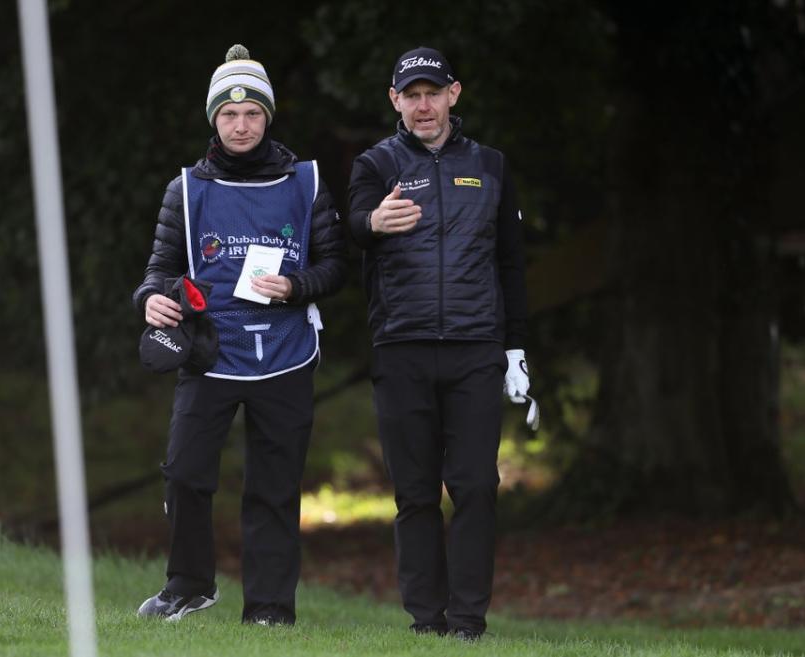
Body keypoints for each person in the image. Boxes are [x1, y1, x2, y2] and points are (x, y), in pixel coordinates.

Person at [132, 44, 346, 625]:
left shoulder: (307, 181)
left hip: (286, 353)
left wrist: (297, 287)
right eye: (229, 114)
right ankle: (189, 585)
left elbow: (335, 265)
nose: (241, 124)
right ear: (214, 119)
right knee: (185, 471)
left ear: (268, 117)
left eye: (252, 112)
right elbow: (158, 270)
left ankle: (271, 608)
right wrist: (149, 299)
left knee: (274, 487)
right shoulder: (186, 188)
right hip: (210, 352)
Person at [346, 46, 531, 640]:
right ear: (394, 101)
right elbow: (348, 225)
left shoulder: (493, 165)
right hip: (401, 348)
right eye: (411, 95)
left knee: (476, 485)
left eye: (433, 93)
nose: (423, 106)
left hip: (476, 348)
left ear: (454, 93)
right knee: (416, 492)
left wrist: (516, 349)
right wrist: (372, 223)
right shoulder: (375, 166)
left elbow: (512, 263)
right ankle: (427, 621)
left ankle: (469, 622)